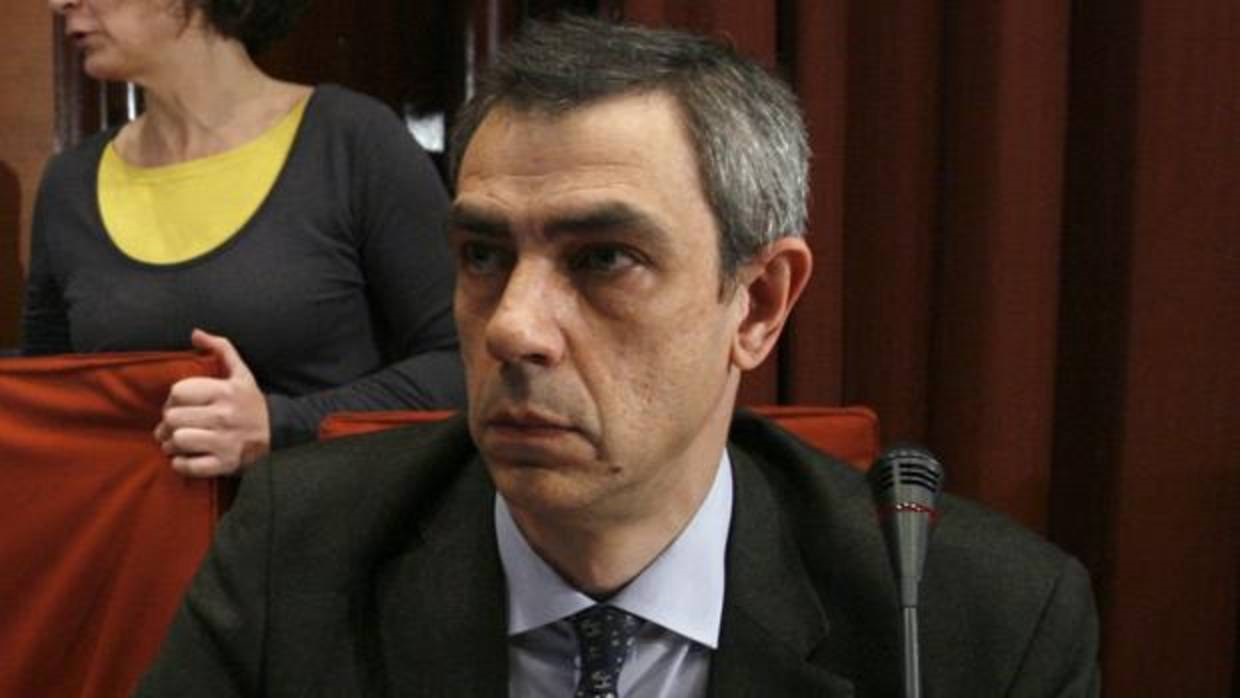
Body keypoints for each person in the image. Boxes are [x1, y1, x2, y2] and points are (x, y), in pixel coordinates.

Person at [135, 15, 1100, 697]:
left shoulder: (972, 622)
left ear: (759, 304)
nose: (514, 327)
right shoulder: (299, 550)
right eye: (483, 256)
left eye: (604, 259)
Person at [23, 0, 465, 475]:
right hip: (138, 519)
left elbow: (463, 363)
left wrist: (283, 425)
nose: (60, 3)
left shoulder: (352, 141)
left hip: (324, 512)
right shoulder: (70, 182)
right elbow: (47, 407)